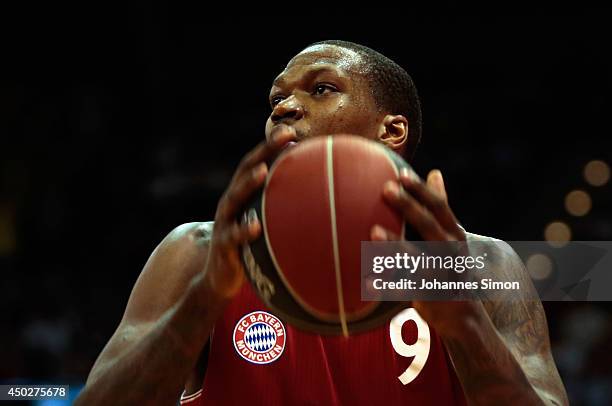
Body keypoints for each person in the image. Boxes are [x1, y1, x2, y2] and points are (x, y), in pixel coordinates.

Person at [75, 40, 568, 405]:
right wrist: (205, 298)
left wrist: (462, 320)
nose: (284, 108)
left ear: (392, 129)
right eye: (276, 101)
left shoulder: (482, 262)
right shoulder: (200, 251)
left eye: (322, 89)